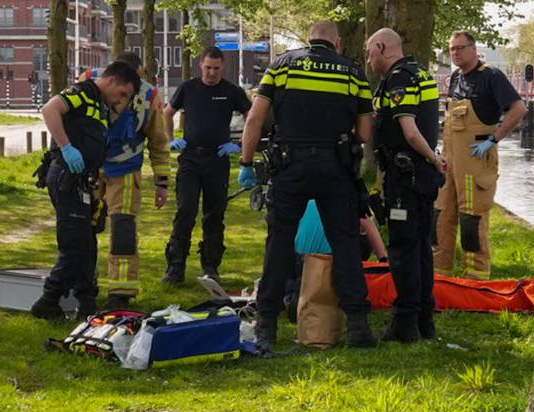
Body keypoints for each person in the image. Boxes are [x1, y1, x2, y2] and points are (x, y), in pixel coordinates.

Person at [239, 21, 378, 351]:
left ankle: (267, 326)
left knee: (280, 244)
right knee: (344, 244)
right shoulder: (352, 73)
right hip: (335, 168)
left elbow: (255, 119)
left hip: (290, 167)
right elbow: (365, 131)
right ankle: (358, 326)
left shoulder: (282, 66)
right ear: (337, 42)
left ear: (309, 39)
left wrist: (246, 164)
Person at [30, 61, 141, 320]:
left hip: (82, 181)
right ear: (112, 80)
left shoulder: (101, 106)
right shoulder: (82, 92)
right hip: (66, 177)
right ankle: (48, 301)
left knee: (88, 244)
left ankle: (87, 303)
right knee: (75, 246)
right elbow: (49, 110)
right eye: (123, 93)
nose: (121, 100)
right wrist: (66, 147)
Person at [367, 27, 444, 342]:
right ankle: (425, 319)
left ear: (382, 47)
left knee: (402, 250)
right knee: (422, 248)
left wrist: (433, 158)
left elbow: (410, 131)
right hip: (422, 177)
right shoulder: (422, 74)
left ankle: (405, 321)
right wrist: (433, 161)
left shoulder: (399, 78)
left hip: (407, 177)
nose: (369, 60)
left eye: (369, 52)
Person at [434, 31, 526, 280]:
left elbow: (518, 109)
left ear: (474, 49)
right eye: (452, 49)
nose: (455, 53)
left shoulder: (491, 77)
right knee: (441, 215)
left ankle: (474, 279)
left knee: (472, 220)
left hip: (476, 162)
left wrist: (494, 139)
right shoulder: (455, 78)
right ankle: (440, 274)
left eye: (460, 48)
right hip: (451, 161)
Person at [161, 47, 251, 285]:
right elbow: (166, 113)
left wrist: (240, 145)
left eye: (216, 69)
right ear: (201, 65)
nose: (212, 73)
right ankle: (176, 267)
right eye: (208, 68)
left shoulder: (232, 92)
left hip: (218, 161)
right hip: (190, 159)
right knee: (185, 211)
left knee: (214, 215)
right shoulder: (187, 88)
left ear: (223, 67)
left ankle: (211, 266)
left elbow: (255, 118)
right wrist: (171, 140)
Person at [98, 52, 170, 308]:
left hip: (125, 172)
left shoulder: (149, 97)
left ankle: (121, 292)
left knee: (122, 229)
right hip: (92, 167)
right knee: (83, 227)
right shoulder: (92, 85)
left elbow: (159, 142)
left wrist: (162, 183)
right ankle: (82, 283)